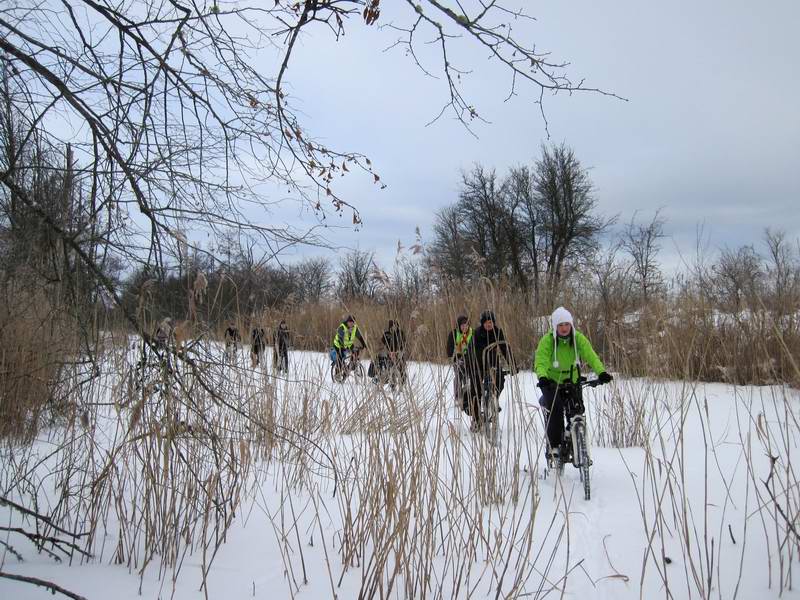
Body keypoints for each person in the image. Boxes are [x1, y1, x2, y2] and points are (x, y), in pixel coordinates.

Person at [534, 306, 613, 462]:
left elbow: (591, 356)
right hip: (551, 382)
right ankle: (555, 447)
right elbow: (541, 360)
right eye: (560, 325)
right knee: (555, 410)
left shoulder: (578, 339)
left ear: (571, 325)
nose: (564, 328)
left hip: (572, 379)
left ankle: (577, 439)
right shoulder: (548, 340)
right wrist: (542, 376)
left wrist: (601, 372)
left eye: (567, 324)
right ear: (555, 326)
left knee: (576, 410)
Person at [468, 310, 515, 430]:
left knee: (500, 379)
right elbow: (470, 351)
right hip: (478, 363)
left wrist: (512, 364)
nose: (489, 325)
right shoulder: (477, 333)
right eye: (487, 322)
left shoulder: (497, 332)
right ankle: (476, 419)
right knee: (476, 391)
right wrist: (470, 367)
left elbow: (504, 348)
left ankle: (493, 399)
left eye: (491, 322)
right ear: (483, 323)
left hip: (493, 362)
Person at [445, 315, 474, 411]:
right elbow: (449, 348)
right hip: (458, 359)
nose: (464, 327)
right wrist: (452, 357)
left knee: (471, 377)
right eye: (462, 325)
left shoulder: (473, 333)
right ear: (459, 326)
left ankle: (470, 395)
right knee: (458, 376)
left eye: (466, 325)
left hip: (471, 359)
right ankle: (458, 397)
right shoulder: (453, 334)